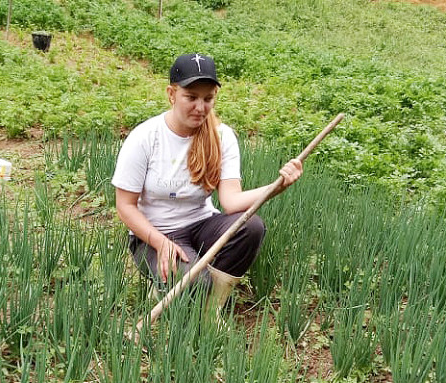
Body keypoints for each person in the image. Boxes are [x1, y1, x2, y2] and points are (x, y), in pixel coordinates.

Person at [112, 53, 303, 314]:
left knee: (252, 228)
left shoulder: (222, 137)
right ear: (171, 94)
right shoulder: (145, 137)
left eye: (208, 98)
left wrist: (277, 186)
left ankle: (210, 309)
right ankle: (167, 284)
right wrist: (160, 242)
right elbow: (125, 206)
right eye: (191, 97)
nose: (200, 107)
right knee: (195, 283)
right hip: (154, 235)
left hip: (200, 225)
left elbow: (231, 202)